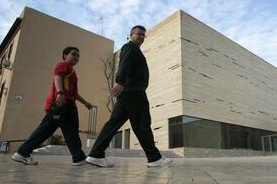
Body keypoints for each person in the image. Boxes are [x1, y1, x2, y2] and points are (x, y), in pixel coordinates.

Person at [86, 25, 172, 167]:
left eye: (144, 35)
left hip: (128, 93)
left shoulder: (135, 50)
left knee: (113, 124)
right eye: (139, 34)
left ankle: (96, 154)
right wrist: (119, 81)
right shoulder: (130, 47)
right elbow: (124, 64)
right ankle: (154, 158)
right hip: (134, 93)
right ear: (131, 34)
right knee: (142, 123)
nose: (141, 37)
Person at [11, 47, 93, 165]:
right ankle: (21, 153)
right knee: (46, 129)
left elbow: (74, 94)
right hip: (60, 105)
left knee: (71, 132)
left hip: (69, 106)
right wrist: (60, 93)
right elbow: (57, 76)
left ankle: (78, 157)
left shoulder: (72, 72)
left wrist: (85, 103)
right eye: (74, 54)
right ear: (65, 55)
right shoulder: (63, 65)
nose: (76, 57)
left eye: (78, 56)